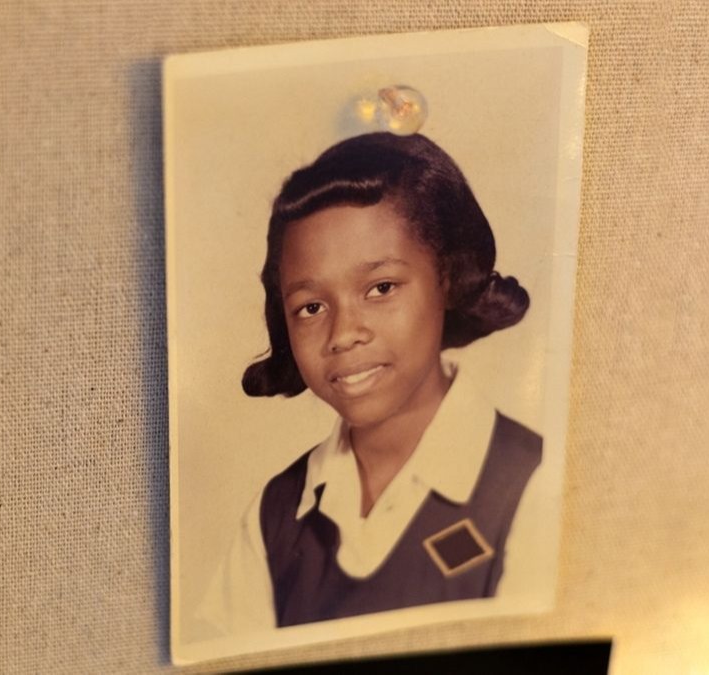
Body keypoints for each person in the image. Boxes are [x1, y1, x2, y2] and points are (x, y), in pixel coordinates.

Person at [197, 132, 542, 635]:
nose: (342, 335)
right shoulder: (276, 515)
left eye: (380, 288)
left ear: (446, 278)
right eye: (311, 307)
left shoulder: (529, 485)